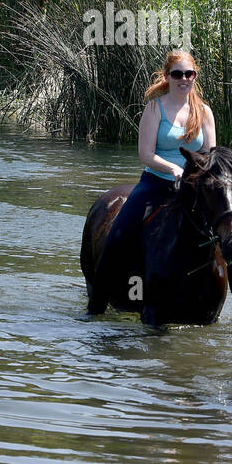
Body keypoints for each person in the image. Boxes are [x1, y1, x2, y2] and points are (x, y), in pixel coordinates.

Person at [88, 50, 216, 315]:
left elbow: (209, 155)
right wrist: (173, 168)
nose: (183, 79)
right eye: (177, 74)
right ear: (167, 77)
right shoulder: (154, 108)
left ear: (195, 76)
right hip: (155, 184)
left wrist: (196, 174)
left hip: (192, 190)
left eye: (188, 74)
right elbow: (145, 154)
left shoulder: (204, 112)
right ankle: (95, 308)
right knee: (117, 237)